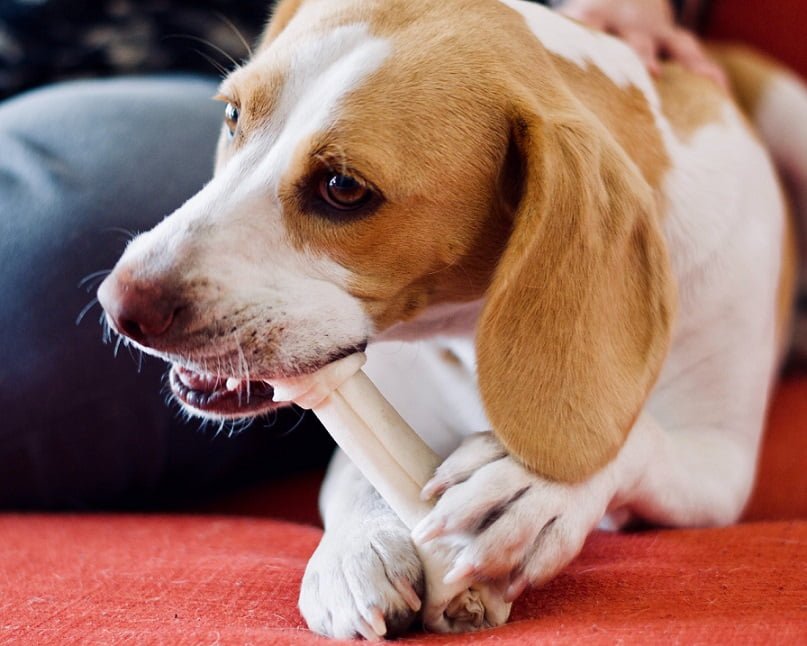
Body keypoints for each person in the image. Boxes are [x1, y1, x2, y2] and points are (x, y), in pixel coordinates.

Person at [0, 0, 722, 508]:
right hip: (258, 46)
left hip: (504, 64)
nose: (125, 298)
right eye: (234, 117)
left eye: (342, 188)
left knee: (29, 252)